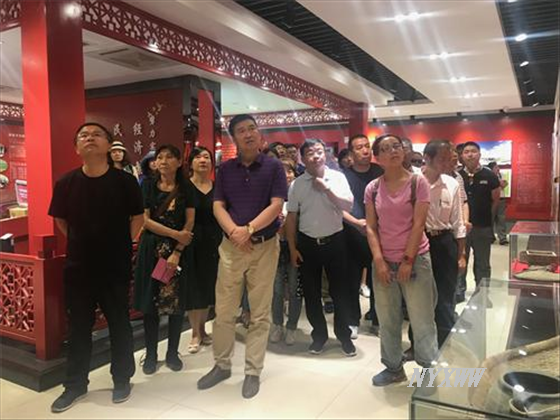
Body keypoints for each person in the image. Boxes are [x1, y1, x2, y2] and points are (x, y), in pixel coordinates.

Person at [48, 122, 144, 413]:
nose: (89, 138)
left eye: (97, 134)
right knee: (78, 328)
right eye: (83, 135)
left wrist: (120, 244)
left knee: (119, 324)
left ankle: (122, 379)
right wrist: (82, 242)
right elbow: (61, 220)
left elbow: (137, 217)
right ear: (77, 147)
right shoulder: (66, 183)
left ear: (109, 145)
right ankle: (75, 385)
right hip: (79, 267)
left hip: (115, 266)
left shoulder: (125, 182)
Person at [197, 114, 287, 399]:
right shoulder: (225, 169)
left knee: (259, 313)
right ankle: (222, 365)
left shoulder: (273, 166)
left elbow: (276, 205)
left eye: (252, 129)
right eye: (241, 131)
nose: (248, 134)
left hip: (264, 246)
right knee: (224, 310)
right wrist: (235, 233)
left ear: (259, 134)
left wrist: (248, 230)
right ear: (233, 138)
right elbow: (218, 205)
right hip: (231, 247)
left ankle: (252, 370)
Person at [364, 134, 438, 386]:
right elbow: (371, 227)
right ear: (377, 158)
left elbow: (418, 224)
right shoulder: (373, 188)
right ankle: (393, 367)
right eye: (385, 149)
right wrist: (379, 261)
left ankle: (427, 372)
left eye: (396, 146)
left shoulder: (418, 182)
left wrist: (407, 260)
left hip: (415, 260)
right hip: (384, 261)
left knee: (422, 320)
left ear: (404, 151)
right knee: (387, 320)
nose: (392, 151)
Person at [286, 138, 357, 357]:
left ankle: (344, 335)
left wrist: (327, 189)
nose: (316, 156)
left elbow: (348, 206)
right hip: (307, 243)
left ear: (325, 154)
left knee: (340, 291)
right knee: (311, 293)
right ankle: (319, 336)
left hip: (335, 241)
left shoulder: (337, 178)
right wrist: (292, 248)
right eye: (310, 153)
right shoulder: (297, 184)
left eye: (319, 151)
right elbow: (291, 218)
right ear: (302, 158)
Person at [133, 145, 195, 375]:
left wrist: (177, 249)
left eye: (169, 157)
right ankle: (151, 354)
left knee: (176, 304)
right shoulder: (147, 185)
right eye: (160, 157)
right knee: (150, 305)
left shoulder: (186, 187)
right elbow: (145, 220)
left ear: (179, 162)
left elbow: (190, 221)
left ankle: (172, 353)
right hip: (152, 250)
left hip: (177, 252)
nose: (163, 161)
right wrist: (175, 234)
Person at [422, 140, 466, 346]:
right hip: (420, 241)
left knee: (446, 295)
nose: (448, 164)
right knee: (420, 297)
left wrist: (461, 254)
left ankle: (444, 343)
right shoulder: (413, 181)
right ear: (427, 158)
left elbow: (458, 222)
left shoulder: (452, 183)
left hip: (445, 241)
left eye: (449, 159)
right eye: (442, 159)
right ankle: (419, 344)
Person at [342, 134, 384, 337]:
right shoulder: (343, 176)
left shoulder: (380, 172)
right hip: (351, 233)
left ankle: (377, 319)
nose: (365, 150)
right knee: (351, 280)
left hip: (379, 234)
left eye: (367, 146)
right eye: (359, 148)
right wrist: (356, 222)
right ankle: (352, 321)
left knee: (379, 279)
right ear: (351, 154)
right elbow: (336, 206)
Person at [186, 146, 222, 353]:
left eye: (206, 157)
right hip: (191, 242)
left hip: (215, 242)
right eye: (198, 157)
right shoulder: (184, 187)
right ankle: (194, 332)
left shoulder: (217, 188)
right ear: (190, 163)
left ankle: (202, 329)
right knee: (194, 287)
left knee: (209, 287)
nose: (203, 160)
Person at [458, 142, 501, 301]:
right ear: (462, 155)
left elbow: (495, 200)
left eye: (473, 151)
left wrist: (489, 220)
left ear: (479, 154)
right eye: (466, 152)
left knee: (482, 263)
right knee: (460, 260)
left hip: (482, 227)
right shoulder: (457, 175)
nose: (470, 154)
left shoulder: (489, 175)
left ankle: (482, 294)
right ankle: (459, 292)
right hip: (461, 228)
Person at [269, 159, 302, 345]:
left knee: (295, 289)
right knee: (277, 290)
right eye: (282, 171)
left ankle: (292, 326)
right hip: (275, 247)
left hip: (296, 248)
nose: (286, 175)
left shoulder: (300, 196)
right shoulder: (270, 196)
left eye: (289, 171)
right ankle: (277, 324)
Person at [488, 161, 509, 245]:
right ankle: (490, 237)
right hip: (491, 200)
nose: (498, 169)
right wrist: (499, 182)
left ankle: (502, 238)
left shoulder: (500, 175)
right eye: (496, 167)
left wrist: (500, 182)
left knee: (501, 219)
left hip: (501, 199)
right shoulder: (488, 176)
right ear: (492, 169)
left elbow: (504, 184)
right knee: (490, 219)